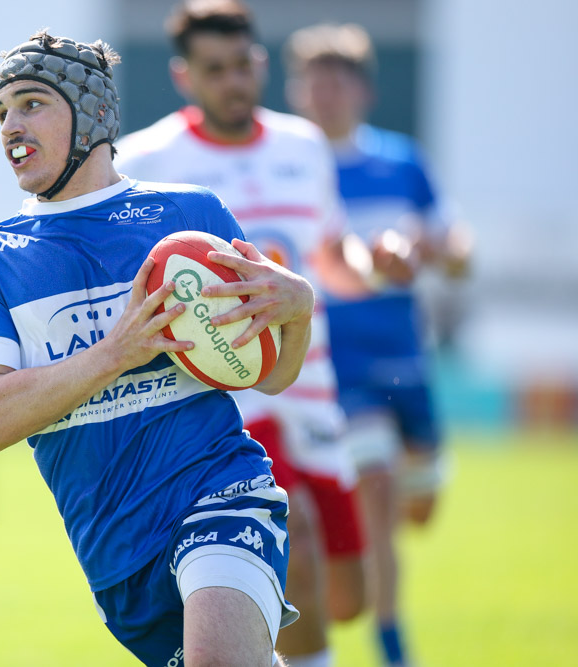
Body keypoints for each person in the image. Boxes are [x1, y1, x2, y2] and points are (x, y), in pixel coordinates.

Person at [0, 29, 317, 666]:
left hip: (221, 492)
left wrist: (300, 309)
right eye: (1, 111)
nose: (11, 123)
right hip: (117, 556)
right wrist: (115, 351)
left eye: (33, 102)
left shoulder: (190, 218)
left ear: (92, 114)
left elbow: (270, 375)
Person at [113, 3, 395, 666]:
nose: (234, 82)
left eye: (244, 65)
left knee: (343, 594)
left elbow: (331, 257)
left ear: (261, 62)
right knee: (289, 521)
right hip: (231, 398)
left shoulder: (303, 145)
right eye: (216, 70)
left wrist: (372, 266)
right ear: (185, 76)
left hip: (312, 386)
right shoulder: (150, 160)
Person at [283, 22, 471, 667]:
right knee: (378, 485)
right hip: (339, 367)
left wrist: (442, 250)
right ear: (297, 90)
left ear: (362, 90)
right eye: (314, 81)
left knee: (417, 507)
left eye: (337, 81)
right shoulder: (291, 165)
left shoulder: (402, 161)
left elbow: (455, 249)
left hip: (408, 364)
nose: (325, 93)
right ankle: (393, 644)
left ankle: (380, 593)